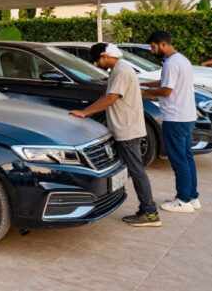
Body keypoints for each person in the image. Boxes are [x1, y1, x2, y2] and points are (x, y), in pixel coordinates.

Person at [70, 43, 160, 227]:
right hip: (123, 128)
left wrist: (85, 112)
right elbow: (108, 96)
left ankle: (150, 212)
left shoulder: (120, 70)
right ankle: (142, 208)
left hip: (127, 130)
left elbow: (112, 98)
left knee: (137, 171)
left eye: (97, 60)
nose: (97, 64)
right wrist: (89, 113)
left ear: (104, 56)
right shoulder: (120, 69)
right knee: (126, 170)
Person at [140, 30, 200, 213]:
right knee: (187, 158)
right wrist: (144, 83)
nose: (152, 50)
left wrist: (143, 94)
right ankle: (192, 197)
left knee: (178, 160)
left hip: (175, 118)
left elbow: (166, 91)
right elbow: (165, 82)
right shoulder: (181, 60)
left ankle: (182, 200)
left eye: (153, 46)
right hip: (186, 116)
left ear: (163, 44)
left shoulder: (171, 63)